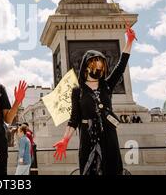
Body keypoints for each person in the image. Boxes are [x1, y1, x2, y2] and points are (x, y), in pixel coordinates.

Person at [53, 25, 136, 175]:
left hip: (108, 136)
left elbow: (120, 67)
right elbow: (74, 119)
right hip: (88, 138)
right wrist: (65, 140)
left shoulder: (107, 86)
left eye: (101, 65)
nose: (98, 67)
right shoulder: (78, 91)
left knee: (111, 169)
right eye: (95, 63)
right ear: (86, 66)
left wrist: (129, 42)